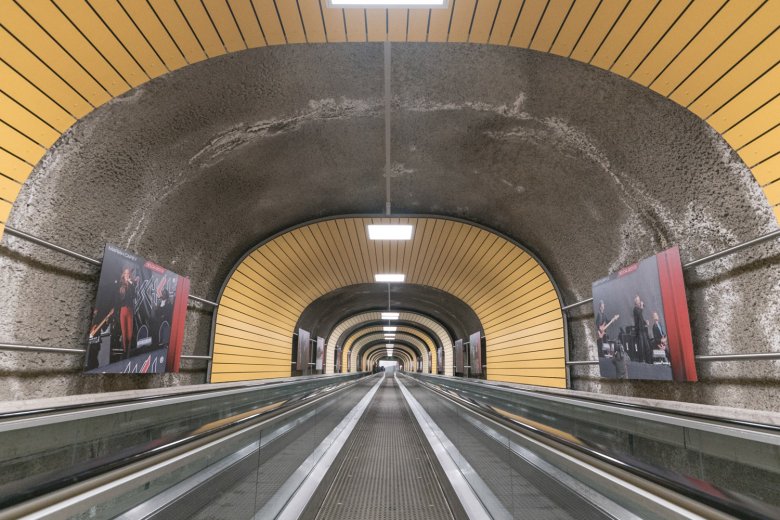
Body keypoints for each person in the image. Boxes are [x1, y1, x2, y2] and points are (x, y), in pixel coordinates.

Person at [117, 267, 139, 356]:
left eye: (128, 273)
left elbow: (134, 296)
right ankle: (124, 350)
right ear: (123, 274)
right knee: (124, 331)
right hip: (123, 309)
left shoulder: (132, 284)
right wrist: (125, 286)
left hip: (130, 309)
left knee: (130, 333)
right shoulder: (120, 284)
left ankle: (128, 352)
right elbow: (120, 297)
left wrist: (131, 284)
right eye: (125, 273)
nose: (127, 274)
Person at [633, 295, 651, 364]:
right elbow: (639, 314)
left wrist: (645, 322)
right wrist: (642, 307)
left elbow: (641, 319)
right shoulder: (635, 309)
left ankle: (649, 362)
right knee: (641, 347)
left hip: (643, 330)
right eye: (638, 300)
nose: (640, 301)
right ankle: (641, 362)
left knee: (647, 347)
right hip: (639, 331)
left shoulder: (639, 309)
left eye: (639, 300)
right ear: (636, 302)